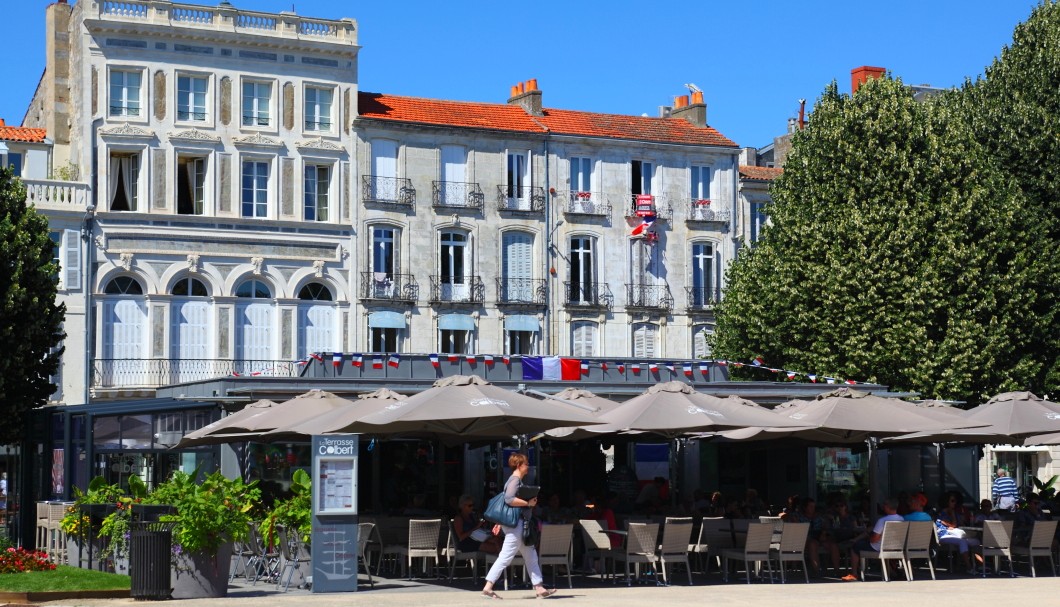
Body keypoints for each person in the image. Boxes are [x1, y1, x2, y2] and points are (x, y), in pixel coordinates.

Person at [481, 453, 557, 600]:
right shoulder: (515, 480)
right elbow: (509, 499)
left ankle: (539, 588)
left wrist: (499, 522)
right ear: (519, 465)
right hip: (517, 526)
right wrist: (528, 503)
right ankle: (488, 586)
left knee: (531, 557)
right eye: (526, 464)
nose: (528, 466)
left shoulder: (514, 480)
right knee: (506, 557)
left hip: (518, 525)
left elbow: (507, 505)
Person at [845, 498, 904, 581]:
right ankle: (891, 571)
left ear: (887, 507)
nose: (882, 507)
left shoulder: (882, 520)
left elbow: (874, 540)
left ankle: (854, 574)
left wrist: (869, 537)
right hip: (894, 546)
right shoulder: (902, 519)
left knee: (855, 547)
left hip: (878, 548)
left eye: (884, 505)